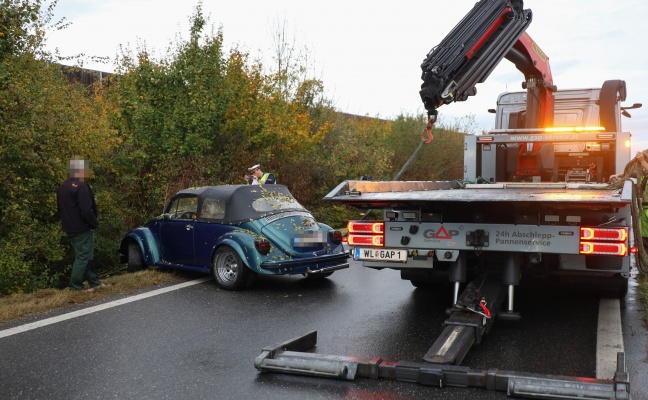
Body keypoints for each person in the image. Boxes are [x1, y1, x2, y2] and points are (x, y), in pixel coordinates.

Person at [57, 157, 106, 292]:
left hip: (69, 227)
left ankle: (94, 282)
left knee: (86, 255)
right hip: (82, 227)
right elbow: (86, 210)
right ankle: (75, 286)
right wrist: (92, 223)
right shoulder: (81, 187)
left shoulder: (62, 187)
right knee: (83, 258)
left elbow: (60, 208)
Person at [609, 150, 648, 251]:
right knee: (644, 238)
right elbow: (632, 173)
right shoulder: (643, 171)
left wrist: (643, 160)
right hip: (644, 209)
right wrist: (618, 175)